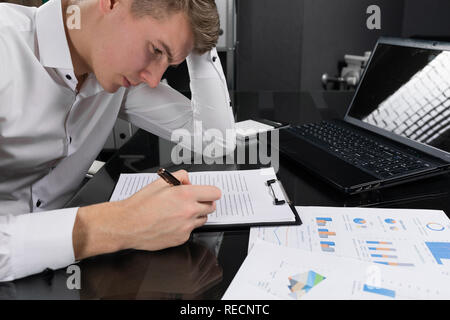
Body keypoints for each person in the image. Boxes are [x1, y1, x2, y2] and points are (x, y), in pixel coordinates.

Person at [0, 0, 236, 281]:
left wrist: (199, 44)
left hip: (62, 274)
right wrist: (124, 223)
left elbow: (215, 139)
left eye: (169, 63)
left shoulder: (116, 75)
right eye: (156, 50)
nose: (153, 79)